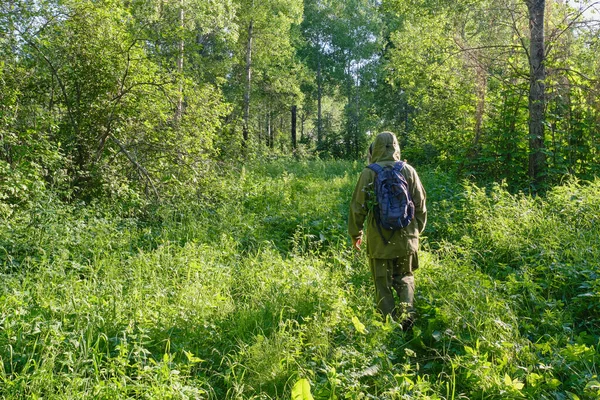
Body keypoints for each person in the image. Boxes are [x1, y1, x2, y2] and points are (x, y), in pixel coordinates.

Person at [348, 131, 427, 329]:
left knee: (382, 284)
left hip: (379, 240)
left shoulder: (369, 172)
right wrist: (415, 232)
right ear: (396, 148)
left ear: (374, 149)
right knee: (405, 277)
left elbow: (358, 208)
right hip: (406, 238)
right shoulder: (409, 171)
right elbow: (421, 205)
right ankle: (407, 318)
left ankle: (390, 326)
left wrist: (355, 234)